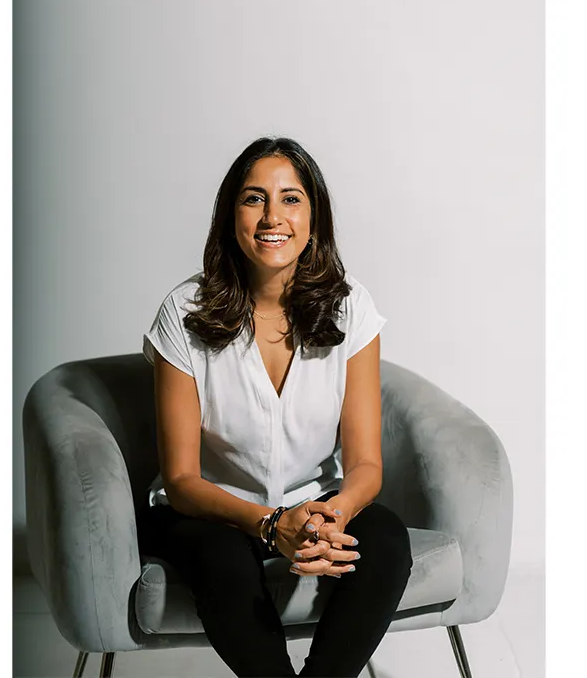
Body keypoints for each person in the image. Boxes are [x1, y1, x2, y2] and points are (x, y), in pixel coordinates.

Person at [141, 136, 413, 677]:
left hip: (315, 502)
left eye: (291, 199)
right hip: (212, 512)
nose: (273, 216)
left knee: (383, 540)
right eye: (253, 198)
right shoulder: (183, 312)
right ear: (230, 215)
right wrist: (271, 526)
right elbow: (182, 479)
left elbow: (364, 465)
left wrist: (329, 516)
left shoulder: (350, 306)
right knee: (222, 561)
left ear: (315, 216)